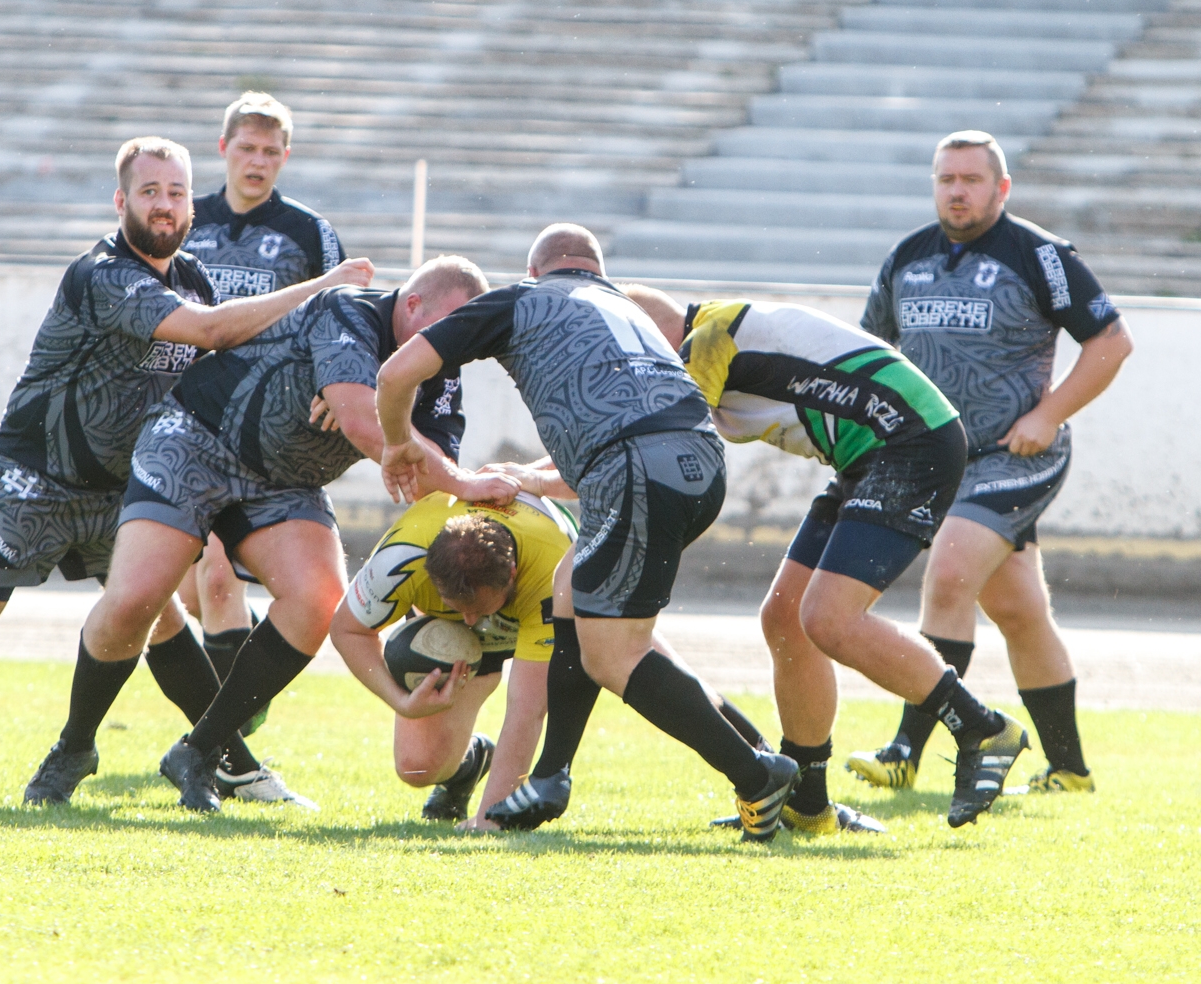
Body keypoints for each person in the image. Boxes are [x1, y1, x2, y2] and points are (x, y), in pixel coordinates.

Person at [0, 137, 374, 808]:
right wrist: (325, 287)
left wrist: (327, 383)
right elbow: (214, 332)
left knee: (155, 616)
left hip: (121, 485)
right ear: (120, 200)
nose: (165, 205)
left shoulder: (193, 278)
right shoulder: (102, 272)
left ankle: (229, 761)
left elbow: (233, 362)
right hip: (35, 476)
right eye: (150, 192)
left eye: (177, 192)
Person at [24, 254, 516, 813]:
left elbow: (422, 472)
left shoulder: (438, 372)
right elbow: (372, 430)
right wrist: (375, 420)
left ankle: (200, 753)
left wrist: (378, 418)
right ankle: (74, 747)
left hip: (286, 482)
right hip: (196, 441)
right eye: (442, 326)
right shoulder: (348, 310)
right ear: (410, 305)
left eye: (460, 335)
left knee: (317, 602)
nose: (448, 346)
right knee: (137, 598)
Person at [375, 224, 800, 842]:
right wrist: (532, 478)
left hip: (633, 468)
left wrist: (395, 444)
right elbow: (631, 426)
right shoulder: (628, 311)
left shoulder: (521, 298)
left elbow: (394, 376)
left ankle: (757, 773)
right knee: (570, 583)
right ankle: (553, 775)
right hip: (700, 465)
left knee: (614, 654)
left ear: (535, 270)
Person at [628, 284, 1030, 830]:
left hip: (911, 445)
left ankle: (982, 728)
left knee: (827, 618)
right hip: (873, 454)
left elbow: (661, 442)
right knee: (786, 618)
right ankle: (808, 804)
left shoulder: (706, 343)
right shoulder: (709, 332)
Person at [849, 131, 1133, 796]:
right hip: (940, 461)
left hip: (1017, 457)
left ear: (1001, 188)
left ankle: (904, 751)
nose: (957, 190)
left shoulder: (1039, 255)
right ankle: (1069, 768)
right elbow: (867, 352)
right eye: (946, 178)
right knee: (1018, 607)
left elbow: (1112, 342)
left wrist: (1049, 414)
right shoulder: (907, 257)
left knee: (948, 575)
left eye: (972, 179)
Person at [179, 92, 347, 704]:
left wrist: (340, 385)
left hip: (262, 430)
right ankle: (230, 718)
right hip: (180, 421)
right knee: (195, 592)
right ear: (223, 149)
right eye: (246, 148)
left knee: (218, 577)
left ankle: (231, 732)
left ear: (286, 156)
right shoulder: (185, 220)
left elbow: (343, 311)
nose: (257, 161)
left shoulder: (308, 233)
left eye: (270, 152)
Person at [329, 493, 574, 828]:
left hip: (540, 601)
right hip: (445, 627)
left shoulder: (550, 575)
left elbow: (527, 709)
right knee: (417, 766)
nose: (471, 621)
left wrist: (491, 817)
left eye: (481, 608)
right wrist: (400, 701)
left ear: (512, 574)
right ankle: (472, 762)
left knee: (624, 663)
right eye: (458, 607)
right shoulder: (402, 561)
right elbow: (347, 630)